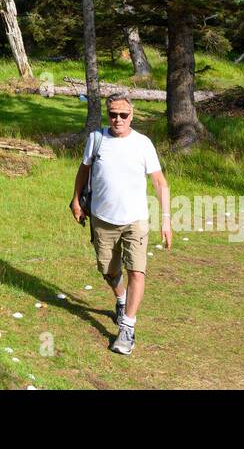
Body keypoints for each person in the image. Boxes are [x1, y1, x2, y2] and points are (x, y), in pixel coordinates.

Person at [70, 94, 172, 355]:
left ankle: (127, 328)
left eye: (123, 115)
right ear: (108, 115)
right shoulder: (97, 139)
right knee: (108, 269)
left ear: (132, 116)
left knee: (136, 272)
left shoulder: (143, 144)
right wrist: (76, 200)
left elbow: (160, 183)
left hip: (135, 220)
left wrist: (167, 219)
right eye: (113, 114)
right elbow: (84, 170)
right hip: (102, 219)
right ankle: (121, 298)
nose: (118, 119)